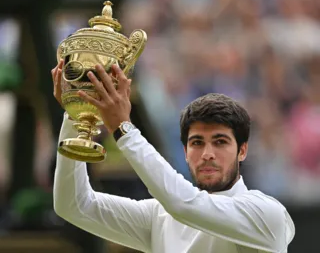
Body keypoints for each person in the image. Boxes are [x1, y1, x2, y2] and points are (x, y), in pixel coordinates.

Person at [52, 60, 295, 253]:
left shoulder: (267, 214)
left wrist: (124, 129)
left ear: (242, 151)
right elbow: (73, 205)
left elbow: (183, 204)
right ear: (185, 152)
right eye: (197, 143)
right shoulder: (160, 216)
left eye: (220, 142)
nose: (207, 154)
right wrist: (77, 113)